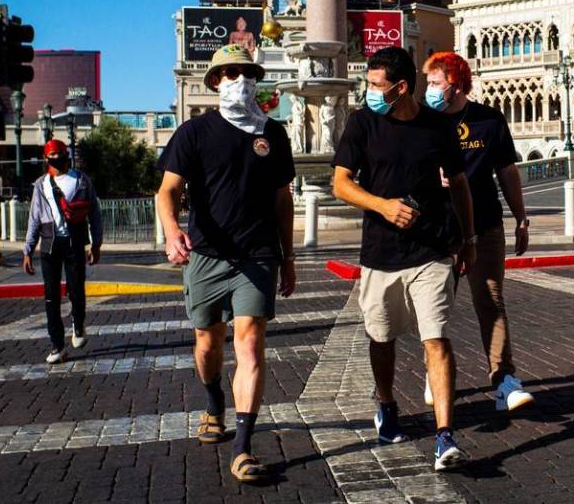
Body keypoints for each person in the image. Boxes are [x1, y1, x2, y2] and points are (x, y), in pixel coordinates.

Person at [156, 43, 296, 483]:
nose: (240, 79)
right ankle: (214, 402)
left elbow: (282, 200)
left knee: (251, 344)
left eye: (246, 72)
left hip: (257, 255)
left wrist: (288, 257)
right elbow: (167, 192)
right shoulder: (194, 133)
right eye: (230, 73)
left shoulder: (272, 134)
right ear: (215, 81)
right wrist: (172, 230)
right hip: (207, 255)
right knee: (207, 343)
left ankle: (243, 445)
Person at [332, 46, 477, 472]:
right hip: (380, 253)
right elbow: (340, 184)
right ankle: (387, 402)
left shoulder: (438, 127)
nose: (368, 93)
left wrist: (467, 238)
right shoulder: (362, 123)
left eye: (375, 86)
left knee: (436, 337)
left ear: (400, 88)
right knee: (382, 337)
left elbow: (461, 185)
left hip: (431, 250)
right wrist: (382, 206)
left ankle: (445, 435)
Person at [422, 51, 535, 412]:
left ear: (455, 84)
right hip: (437, 229)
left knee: (491, 301)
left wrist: (521, 218)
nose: (429, 89)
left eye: (435, 83)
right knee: (436, 306)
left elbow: (507, 172)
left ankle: (504, 379)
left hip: (484, 224)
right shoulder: (420, 123)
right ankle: (434, 371)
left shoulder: (489, 120)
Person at [23, 139, 103, 364]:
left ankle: (78, 326)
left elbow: (94, 214)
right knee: (51, 297)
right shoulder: (41, 184)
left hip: (75, 241)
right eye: (51, 155)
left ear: (66, 155)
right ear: (46, 157)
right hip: (49, 244)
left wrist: (96, 244)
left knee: (76, 289)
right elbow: (34, 218)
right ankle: (56, 345)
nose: (55, 159)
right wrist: (28, 250)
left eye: (58, 154)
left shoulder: (82, 181)